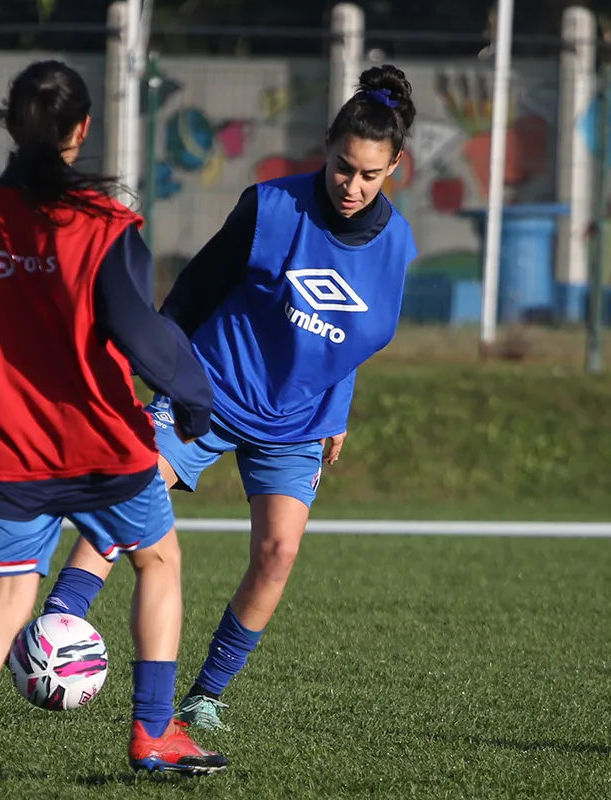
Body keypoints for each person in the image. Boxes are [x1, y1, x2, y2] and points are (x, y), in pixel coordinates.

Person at [42, 64, 419, 731]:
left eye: (370, 174)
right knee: (131, 488)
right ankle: (57, 626)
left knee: (278, 554)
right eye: (342, 167)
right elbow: (193, 290)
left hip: (298, 416)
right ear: (326, 147)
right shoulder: (271, 207)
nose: (352, 185)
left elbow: (354, 337)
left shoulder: (398, 246)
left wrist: (337, 412)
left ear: (395, 167)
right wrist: (152, 370)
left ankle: (204, 697)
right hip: (209, 388)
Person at [0, 60, 227, 792]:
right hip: (102, 443)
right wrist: (193, 395)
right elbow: (141, 332)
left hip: (7, 449)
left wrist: (8, 387)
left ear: (10, 124)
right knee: (158, 562)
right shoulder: (103, 224)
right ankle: (153, 732)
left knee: (8, 597)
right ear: (82, 129)